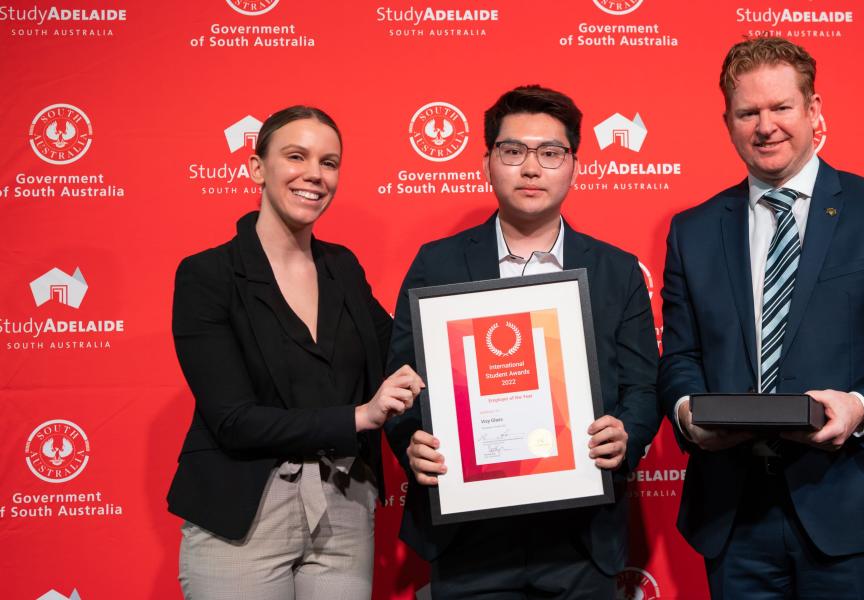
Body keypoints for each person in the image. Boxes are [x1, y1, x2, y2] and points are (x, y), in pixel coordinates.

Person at [658, 37, 864, 599]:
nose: (765, 125)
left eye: (781, 108)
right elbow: (681, 355)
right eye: (748, 112)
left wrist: (860, 407)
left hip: (853, 508)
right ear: (728, 122)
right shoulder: (692, 230)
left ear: (814, 110)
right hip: (732, 515)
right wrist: (687, 414)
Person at [384, 85, 661, 599]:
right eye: (513, 151)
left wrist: (626, 436)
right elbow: (401, 384)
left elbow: (645, 387)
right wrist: (411, 442)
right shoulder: (436, 264)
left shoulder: (616, 271)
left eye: (550, 152)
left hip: (582, 539)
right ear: (487, 162)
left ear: (574, 165)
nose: (531, 168)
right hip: (468, 539)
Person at [166, 105, 424, 599]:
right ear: (256, 167)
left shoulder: (343, 268)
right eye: (296, 156)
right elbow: (233, 420)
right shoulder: (207, 276)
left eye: (329, 162)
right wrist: (359, 416)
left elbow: (403, 351)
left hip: (345, 508)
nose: (314, 174)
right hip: (242, 515)